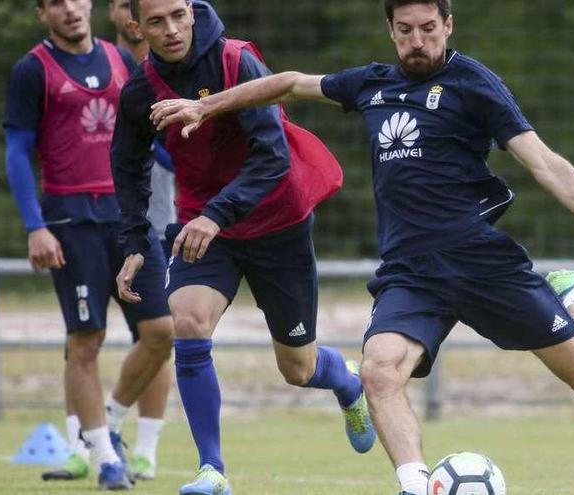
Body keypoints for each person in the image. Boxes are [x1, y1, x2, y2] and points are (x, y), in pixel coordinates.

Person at [149, 1, 574, 494]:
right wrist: (207, 105)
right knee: (378, 370)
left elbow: (545, 162)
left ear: (448, 25)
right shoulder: (373, 84)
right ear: (391, 31)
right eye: (404, 31)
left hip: (479, 261)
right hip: (410, 272)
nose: (416, 41)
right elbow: (288, 84)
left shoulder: (474, 83)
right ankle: (415, 486)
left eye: (427, 29)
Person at [110, 1, 377, 494]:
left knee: (298, 368)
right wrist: (134, 242)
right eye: (155, 22)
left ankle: (347, 382)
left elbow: (273, 156)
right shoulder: (141, 91)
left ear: (191, 12)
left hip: (277, 221)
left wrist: (217, 213)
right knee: (186, 320)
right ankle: (212, 471)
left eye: (177, 16)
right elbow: (128, 168)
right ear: (135, 27)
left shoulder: (237, 61)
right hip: (202, 226)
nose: (170, 30)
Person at [3, 0, 175, 489]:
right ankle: (105, 460)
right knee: (85, 341)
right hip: (70, 221)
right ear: (42, 14)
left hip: (130, 219)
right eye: (56, 2)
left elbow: (150, 138)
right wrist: (35, 226)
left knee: (162, 332)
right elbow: (16, 151)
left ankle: (113, 424)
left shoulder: (122, 62)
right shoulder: (31, 70)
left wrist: (203, 161)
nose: (71, 9)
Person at [104, 0, 176, 482]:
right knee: (83, 340)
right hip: (97, 219)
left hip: (160, 223)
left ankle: (144, 449)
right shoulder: (100, 65)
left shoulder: (174, 68)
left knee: (161, 335)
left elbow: (174, 151)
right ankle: (87, 441)